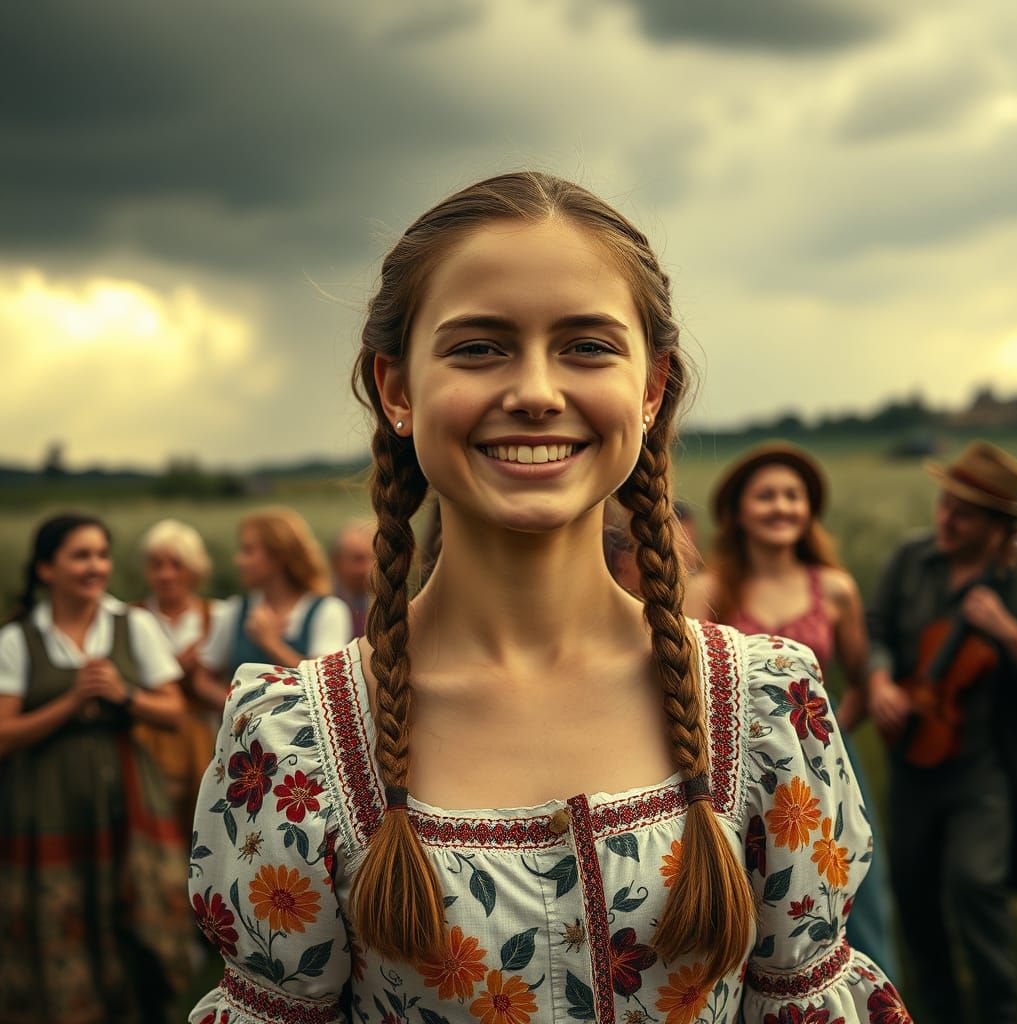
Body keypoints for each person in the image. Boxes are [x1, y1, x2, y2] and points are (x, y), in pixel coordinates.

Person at [188, 172, 907, 1024]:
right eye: (478, 348)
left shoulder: (765, 709)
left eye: (587, 346)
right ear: (397, 389)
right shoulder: (297, 744)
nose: (534, 391)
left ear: (651, 389)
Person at [684, 442, 899, 981]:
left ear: (809, 509)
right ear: (736, 510)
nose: (781, 506)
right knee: (753, 905)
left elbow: (859, 675)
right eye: (766, 496)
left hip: (826, 766)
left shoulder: (835, 589)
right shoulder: (707, 590)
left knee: (851, 892)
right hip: (738, 771)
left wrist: (826, 735)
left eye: (793, 496)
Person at [0, 513, 193, 1023]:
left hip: (128, 793)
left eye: (102, 555)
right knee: (61, 913)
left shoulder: (133, 625)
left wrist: (123, 694)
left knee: (138, 907)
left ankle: (142, 1007)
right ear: (46, 568)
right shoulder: (20, 639)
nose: (95, 567)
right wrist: (70, 703)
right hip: (47, 801)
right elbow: (3, 734)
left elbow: (173, 711)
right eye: (80, 555)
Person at [866, 441, 1017, 1024]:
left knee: (976, 883)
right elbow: (876, 627)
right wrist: (880, 679)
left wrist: (1007, 630)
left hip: (982, 765)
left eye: (965, 513)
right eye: (945, 504)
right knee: (914, 893)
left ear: (999, 527)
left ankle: (1002, 1010)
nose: (947, 519)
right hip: (911, 757)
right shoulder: (913, 557)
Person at [194, 507, 353, 704]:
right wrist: (239, 708)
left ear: (278, 557)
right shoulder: (235, 610)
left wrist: (271, 643)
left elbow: (326, 685)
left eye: (248, 551)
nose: (239, 560)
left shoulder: (328, 610)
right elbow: (203, 679)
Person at [137, 518, 230, 844]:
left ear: (194, 569)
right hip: (149, 735)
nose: (166, 574)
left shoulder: (219, 615)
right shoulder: (133, 617)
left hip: (205, 733)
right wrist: (176, 669)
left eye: (176, 564)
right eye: (157, 565)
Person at [330, 521, 375, 637]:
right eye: (358, 559)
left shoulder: (385, 606)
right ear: (336, 562)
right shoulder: (322, 606)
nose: (368, 568)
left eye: (373, 558)